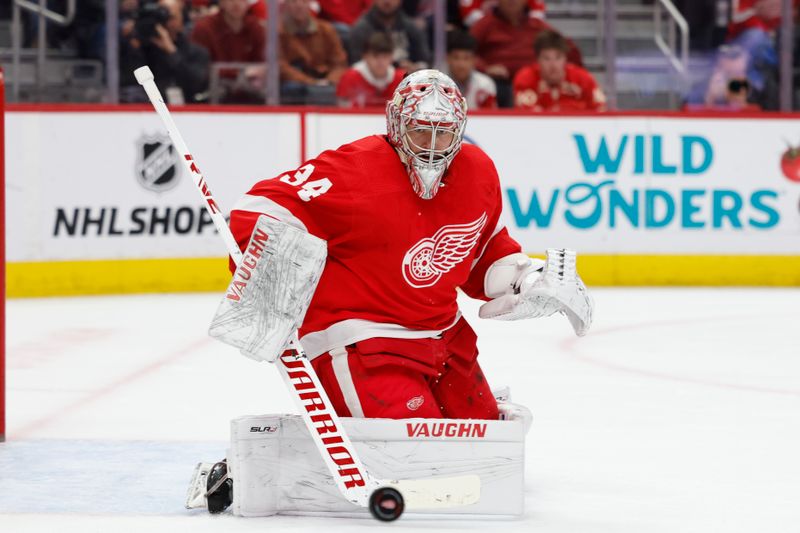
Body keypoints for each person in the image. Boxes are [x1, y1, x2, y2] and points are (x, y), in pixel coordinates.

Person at [228, 69, 593, 422]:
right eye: (421, 132)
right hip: (362, 342)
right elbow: (258, 210)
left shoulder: (478, 170)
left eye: (444, 134)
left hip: (445, 339)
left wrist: (527, 282)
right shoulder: (352, 169)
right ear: (396, 125)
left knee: (482, 438)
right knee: (421, 449)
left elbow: (482, 252)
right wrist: (272, 284)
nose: (433, 148)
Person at [469, 0, 582, 107]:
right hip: (501, 82)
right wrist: (486, 68)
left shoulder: (537, 25)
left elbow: (565, 46)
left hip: (534, 80)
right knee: (497, 89)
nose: (512, 1)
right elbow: (466, 51)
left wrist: (569, 76)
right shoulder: (485, 24)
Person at [119, 0, 210, 104]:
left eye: (170, 17)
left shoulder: (196, 52)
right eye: (159, 17)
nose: (165, 23)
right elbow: (127, 83)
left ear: (182, 19)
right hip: (147, 109)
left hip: (189, 110)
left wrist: (171, 51)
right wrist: (132, 44)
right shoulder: (141, 48)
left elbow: (195, 83)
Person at [513, 30, 605, 112]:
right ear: (538, 60)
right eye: (546, 58)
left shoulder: (582, 78)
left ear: (565, 58)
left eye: (558, 57)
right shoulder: (526, 78)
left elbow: (600, 109)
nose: (553, 65)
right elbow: (527, 116)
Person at [279, 0, 349, 105]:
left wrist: (329, 81)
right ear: (286, 5)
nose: (299, 5)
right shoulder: (279, 33)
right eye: (294, 1)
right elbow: (280, 66)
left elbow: (339, 63)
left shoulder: (326, 30)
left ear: (310, 4)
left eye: (304, 1)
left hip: (326, 82)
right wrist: (312, 83)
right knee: (291, 88)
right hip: (297, 86)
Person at [349, 0, 431, 71]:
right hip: (372, 82)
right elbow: (356, 64)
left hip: (408, 82)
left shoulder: (411, 27)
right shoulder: (361, 29)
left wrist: (415, 68)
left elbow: (425, 60)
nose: (387, 1)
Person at [337, 33, 407, 108]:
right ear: (365, 56)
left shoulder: (401, 80)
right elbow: (342, 111)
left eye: (385, 57)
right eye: (375, 56)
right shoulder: (350, 78)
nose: (381, 62)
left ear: (391, 57)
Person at [191, 0, 266, 64]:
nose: (236, 3)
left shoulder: (255, 28)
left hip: (249, 80)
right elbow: (199, 67)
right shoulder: (204, 28)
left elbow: (262, 63)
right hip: (213, 80)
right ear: (221, 2)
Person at [445, 30, 497, 110]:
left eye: (466, 58)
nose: (461, 64)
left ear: (474, 60)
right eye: (456, 58)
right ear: (447, 59)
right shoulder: (437, 84)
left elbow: (491, 118)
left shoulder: (485, 85)